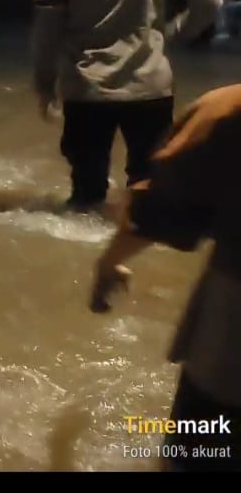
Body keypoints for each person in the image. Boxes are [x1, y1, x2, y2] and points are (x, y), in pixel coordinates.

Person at [31, 0, 223, 210]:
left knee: (85, 196)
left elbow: (47, 30)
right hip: (150, 86)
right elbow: (208, 4)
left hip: (85, 88)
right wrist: (170, 35)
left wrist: (44, 85)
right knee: (149, 189)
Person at [90, 83, 241, 472]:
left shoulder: (228, 111)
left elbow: (161, 209)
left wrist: (108, 264)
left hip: (232, 340)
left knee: (199, 454)